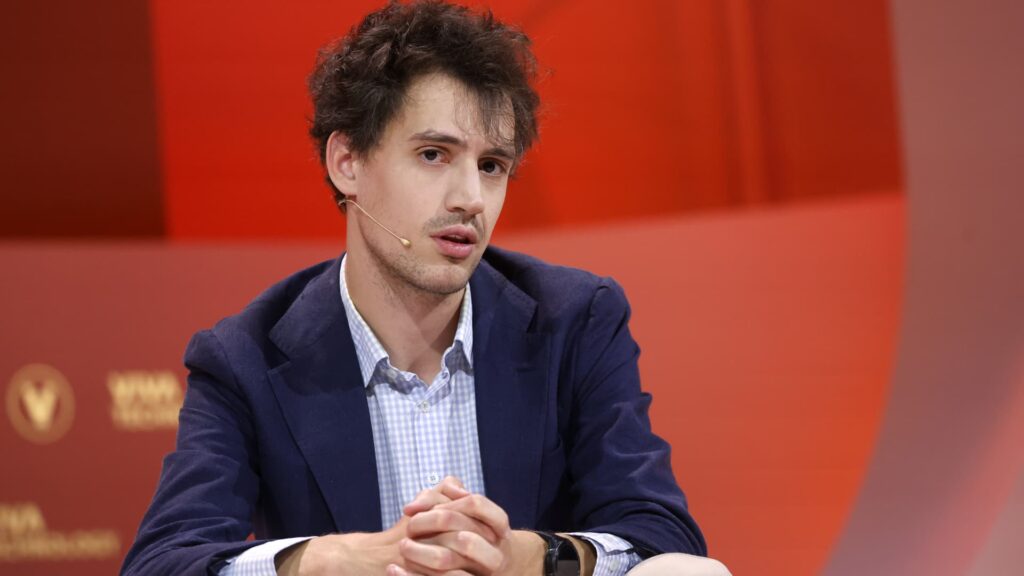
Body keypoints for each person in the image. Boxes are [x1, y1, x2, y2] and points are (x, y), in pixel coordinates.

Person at [122, 1, 727, 575]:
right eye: (434, 154)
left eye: (491, 166)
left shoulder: (574, 320)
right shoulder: (244, 358)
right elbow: (163, 561)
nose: (470, 198)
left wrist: (527, 558)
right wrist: (329, 561)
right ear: (347, 162)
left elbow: (660, 533)